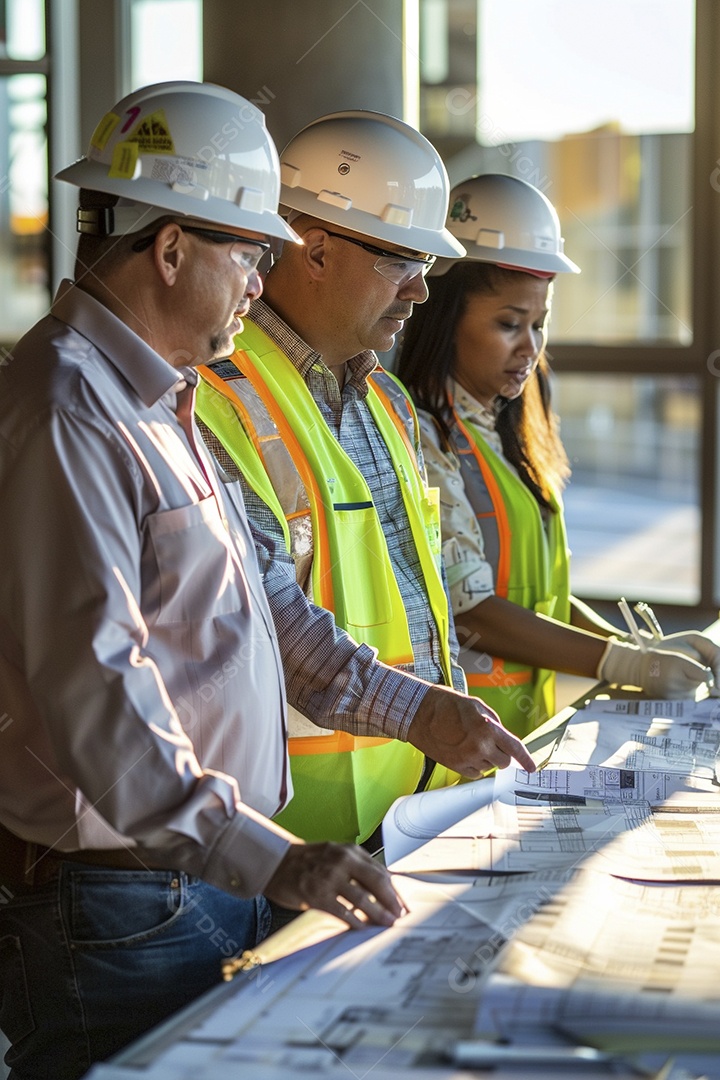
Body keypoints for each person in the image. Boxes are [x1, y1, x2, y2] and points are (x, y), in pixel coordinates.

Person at [0, 85, 534, 1080]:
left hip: (193, 877)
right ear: (171, 249)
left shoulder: (156, 399)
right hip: (123, 901)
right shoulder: (72, 409)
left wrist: (419, 711)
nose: (262, 278)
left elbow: (267, 613)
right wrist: (269, 855)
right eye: (250, 252)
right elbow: (96, 690)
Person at [195, 110, 499, 848]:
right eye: (401, 262)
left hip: (416, 810)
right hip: (289, 839)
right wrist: (422, 715)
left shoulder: (387, 403)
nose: (421, 292)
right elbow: (267, 618)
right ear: (319, 249)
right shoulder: (211, 397)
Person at [396, 173, 719, 737]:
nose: (530, 347)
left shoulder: (503, 428)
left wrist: (633, 647)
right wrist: (622, 663)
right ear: (444, 318)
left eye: (539, 325)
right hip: (455, 741)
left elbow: (541, 592)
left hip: (517, 727)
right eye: (509, 324)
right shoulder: (417, 434)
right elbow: (469, 605)